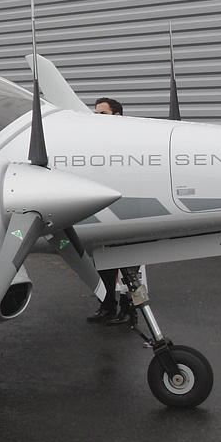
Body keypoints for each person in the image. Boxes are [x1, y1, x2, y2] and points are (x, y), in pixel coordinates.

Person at [87, 96, 135, 324]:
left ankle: (130, 310)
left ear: (117, 116)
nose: (97, 118)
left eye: (102, 114)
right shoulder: (97, 143)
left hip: (129, 214)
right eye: (95, 114)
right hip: (106, 213)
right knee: (104, 263)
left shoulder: (132, 143)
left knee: (131, 263)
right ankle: (107, 306)